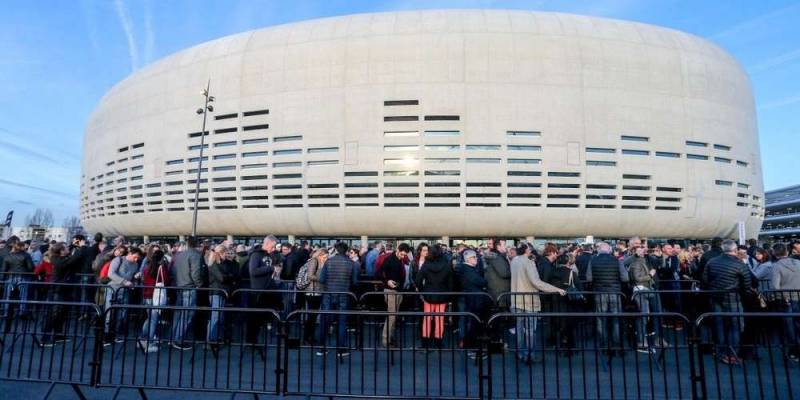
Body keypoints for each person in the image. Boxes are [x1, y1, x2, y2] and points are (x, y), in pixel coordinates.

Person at [510, 242, 565, 364]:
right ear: (526, 250)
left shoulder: (514, 260)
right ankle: (530, 355)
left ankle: (520, 353)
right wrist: (556, 289)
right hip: (529, 300)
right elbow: (537, 282)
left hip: (516, 299)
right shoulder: (529, 262)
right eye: (530, 249)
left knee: (519, 328)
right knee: (530, 330)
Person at [702, 239, 752, 365]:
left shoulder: (712, 262)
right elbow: (747, 284)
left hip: (715, 297)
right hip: (733, 298)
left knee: (719, 325)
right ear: (735, 250)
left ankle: (721, 352)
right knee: (735, 326)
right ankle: (731, 354)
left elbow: (705, 279)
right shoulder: (740, 264)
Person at [39, 242, 88, 346]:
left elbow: (76, 260)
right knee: (53, 313)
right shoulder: (57, 260)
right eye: (65, 248)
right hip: (57, 290)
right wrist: (82, 247)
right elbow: (73, 259)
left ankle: (58, 335)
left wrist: (73, 247)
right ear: (61, 251)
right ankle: (45, 338)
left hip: (66, 289)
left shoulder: (64, 258)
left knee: (63, 313)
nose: (68, 249)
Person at [316, 242, 359, 356]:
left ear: (335, 249)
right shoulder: (351, 263)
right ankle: (341, 349)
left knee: (324, 321)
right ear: (346, 250)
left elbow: (321, 279)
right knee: (342, 322)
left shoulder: (328, 262)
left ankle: (321, 348)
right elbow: (355, 282)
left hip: (328, 294)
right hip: (344, 294)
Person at [586, 242, 629, 353]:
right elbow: (625, 278)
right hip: (615, 292)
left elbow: (589, 278)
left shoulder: (593, 260)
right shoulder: (617, 260)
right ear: (609, 250)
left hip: (599, 292)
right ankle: (616, 345)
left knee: (601, 319)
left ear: (599, 250)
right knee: (616, 318)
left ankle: (603, 345)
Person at [414, 244, 454, 349]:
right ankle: (438, 342)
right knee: (439, 319)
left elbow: (418, 280)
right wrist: (449, 296)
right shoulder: (447, 265)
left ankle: (425, 343)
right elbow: (451, 283)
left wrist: (423, 291)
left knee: (427, 319)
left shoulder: (426, 264)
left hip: (428, 295)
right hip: (442, 295)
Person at [171, 236, 206, 350]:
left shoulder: (180, 255)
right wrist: (199, 284)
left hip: (180, 285)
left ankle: (174, 338)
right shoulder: (195, 255)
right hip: (189, 287)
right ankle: (178, 339)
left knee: (179, 313)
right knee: (187, 314)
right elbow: (196, 273)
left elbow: (174, 271)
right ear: (197, 244)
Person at [457, 250, 491, 359]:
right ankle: (473, 349)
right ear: (468, 259)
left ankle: (472, 347)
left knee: (472, 324)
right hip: (474, 300)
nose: (476, 259)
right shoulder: (469, 270)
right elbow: (481, 281)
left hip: (473, 300)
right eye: (474, 257)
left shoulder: (465, 269)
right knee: (473, 325)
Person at [247, 235, 281, 344]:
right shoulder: (256, 255)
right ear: (267, 243)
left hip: (268, 290)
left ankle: (258, 338)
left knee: (265, 316)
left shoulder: (270, 256)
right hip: (257, 291)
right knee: (254, 319)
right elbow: (253, 271)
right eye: (273, 246)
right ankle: (251, 341)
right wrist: (271, 268)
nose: (274, 249)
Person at [105, 246, 143, 344]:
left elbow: (132, 278)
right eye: (135, 257)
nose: (136, 259)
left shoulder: (135, 264)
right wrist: (124, 281)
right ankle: (106, 335)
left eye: (137, 258)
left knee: (122, 314)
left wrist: (135, 278)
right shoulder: (118, 260)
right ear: (129, 254)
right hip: (113, 289)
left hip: (125, 291)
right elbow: (111, 274)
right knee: (110, 313)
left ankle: (115, 334)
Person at [770, 243, 800, 362]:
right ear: (787, 252)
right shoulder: (798, 263)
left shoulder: (776, 266)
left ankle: (794, 352)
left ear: (774, 253)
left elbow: (775, 286)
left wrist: (775, 297)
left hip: (786, 300)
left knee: (789, 327)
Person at [378, 242, 411, 348]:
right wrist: (387, 281)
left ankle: (389, 339)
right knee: (391, 316)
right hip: (390, 290)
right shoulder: (389, 259)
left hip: (398, 290)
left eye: (405, 254)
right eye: (402, 254)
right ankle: (386, 340)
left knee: (394, 316)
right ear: (397, 250)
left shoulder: (400, 260)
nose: (403, 256)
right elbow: (380, 272)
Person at [628, 245, 661, 352]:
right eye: (641, 250)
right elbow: (637, 279)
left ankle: (651, 340)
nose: (644, 251)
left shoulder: (643, 261)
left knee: (650, 315)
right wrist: (650, 275)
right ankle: (641, 342)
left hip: (647, 289)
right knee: (643, 316)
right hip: (641, 290)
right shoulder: (636, 263)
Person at [549, 252, 583, 354]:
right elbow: (580, 288)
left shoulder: (553, 272)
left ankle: (558, 345)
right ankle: (569, 347)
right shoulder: (571, 273)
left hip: (555, 300)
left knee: (557, 324)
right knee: (569, 325)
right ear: (569, 261)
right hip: (568, 301)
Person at [139, 249, 170, 353]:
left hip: (147, 295)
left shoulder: (147, 268)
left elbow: (143, 279)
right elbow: (165, 280)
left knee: (149, 318)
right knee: (153, 320)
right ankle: (149, 342)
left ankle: (143, 338)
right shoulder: (161, 268)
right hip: (156, 296)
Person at [207, 245, 238, 347]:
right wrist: (230, 276)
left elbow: (231, 275)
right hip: (217, 292)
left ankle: (215, 338)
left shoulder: (222, 263)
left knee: (220, 317)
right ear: (220, 253)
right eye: (225, 253)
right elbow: (222, 278)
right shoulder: (213, 264)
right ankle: (210, 339)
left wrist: (229, 276)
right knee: (215, 317)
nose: (227, 255)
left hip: (222, 292)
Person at [297, 248, 328, 344]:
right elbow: (310, 275)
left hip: (316, 291)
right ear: (319, 255)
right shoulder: (314, 261)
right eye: (324, 257)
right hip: (312, 291)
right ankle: (307, 338)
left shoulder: (320, 262)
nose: (326, 258)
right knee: (311, 316)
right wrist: (322, 278)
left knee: (313, 316)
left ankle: (309, 337)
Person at [1, 240, 35, 318]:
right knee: (23, 296)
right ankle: (22, 312)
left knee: (8, 296)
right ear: (22, 247)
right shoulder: (26, 255)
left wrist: (2, 279)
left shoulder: (8, 256)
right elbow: (31, 267)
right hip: (23, 277)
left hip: (10, 277)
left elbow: (4, 269)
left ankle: (6, 312)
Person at [484, 239, 511, 309]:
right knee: (500, 315)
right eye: (504, 245)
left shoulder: (499, 257)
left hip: (499, 292)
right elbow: (504, 273)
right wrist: (513, 270)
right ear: (498, 246)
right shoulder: (497, 258)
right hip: (499, 293)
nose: (506, 247)